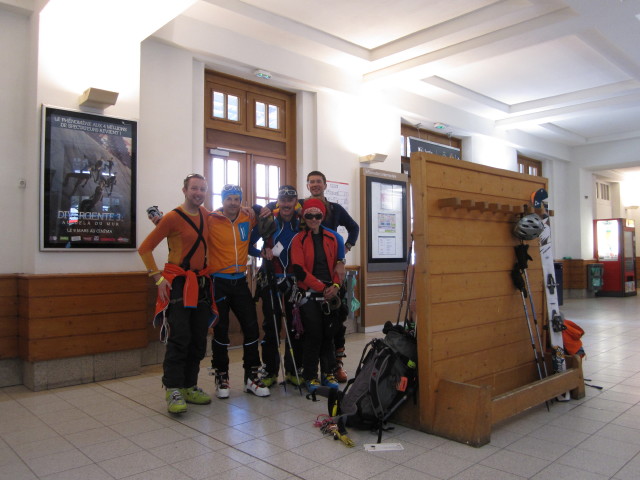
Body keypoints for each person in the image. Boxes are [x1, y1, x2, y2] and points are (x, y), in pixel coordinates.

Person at [138, 173, 217, 414]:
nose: (199, 193)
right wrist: (157, 278)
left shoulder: (206, 215)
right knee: (180, 338)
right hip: (179, 285)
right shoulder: (171, 218)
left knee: (198, 339)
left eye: (203, 189)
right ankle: (173, 388)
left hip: (201, 283)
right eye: (194, 188)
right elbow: (145, 248)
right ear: (184, 190)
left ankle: (190, 386)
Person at [208, 184, 270, 398]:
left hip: (241, 281)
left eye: (237, 199)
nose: (233, 203)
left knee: (252, 328)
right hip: (218, 282)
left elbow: (262, 212)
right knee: (221, 331)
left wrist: (257, 206)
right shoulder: (211, 219)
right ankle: (222, 377)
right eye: (229, 199)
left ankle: (251, 377)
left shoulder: (247, 217)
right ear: (222, 200)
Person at [303, 171, 359, 382]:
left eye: (319, 182)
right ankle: (307, 369)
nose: (315, 185)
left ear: (325, 185)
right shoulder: (301, 206)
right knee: (312, 328)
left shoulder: (335, 209)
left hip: (333, 271)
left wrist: (344, 250)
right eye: (312, 182)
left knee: (336, 323)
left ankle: (336, 366)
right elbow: (282, 206)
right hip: (310, 273)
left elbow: (354, 227)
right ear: (307, 186)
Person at [251, 185, 304, 387]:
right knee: (271, 326)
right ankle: (271, 371)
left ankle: (292, 370)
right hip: (270, 279)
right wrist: (260, 253)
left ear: (295, 202)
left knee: (295, 326)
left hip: (294, 281)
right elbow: (249, 244)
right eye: (283, 200)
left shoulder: (302, 223)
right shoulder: (267, 220)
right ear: (278, 202)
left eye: (290, 200)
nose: (286, 204)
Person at [290, 198, 344, 393]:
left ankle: (328, 372)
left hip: (329, 293)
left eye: (317, 215)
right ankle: (310, 375)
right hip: (310, 295)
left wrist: (336, 286)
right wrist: (322, 287)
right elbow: (299, 270)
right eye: (309, 215)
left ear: (323, 217)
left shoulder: (332, 238)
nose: (313, 219)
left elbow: (339, 266)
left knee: (329, 334)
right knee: (314, 334)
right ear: (304, 217)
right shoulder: (299, 240)